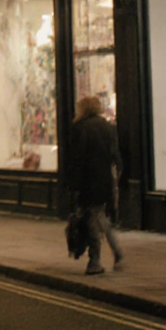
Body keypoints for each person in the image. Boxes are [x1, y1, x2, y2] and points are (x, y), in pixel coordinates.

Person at [64, 95, 125, 275]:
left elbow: (77, 159)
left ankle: (95, 260)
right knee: (98, 216)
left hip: (86, 180)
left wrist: (72, 184)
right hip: (104, 179)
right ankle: (116, 251)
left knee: (92, 219)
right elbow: (115, 155)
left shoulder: (80, 128)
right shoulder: (108, 127)